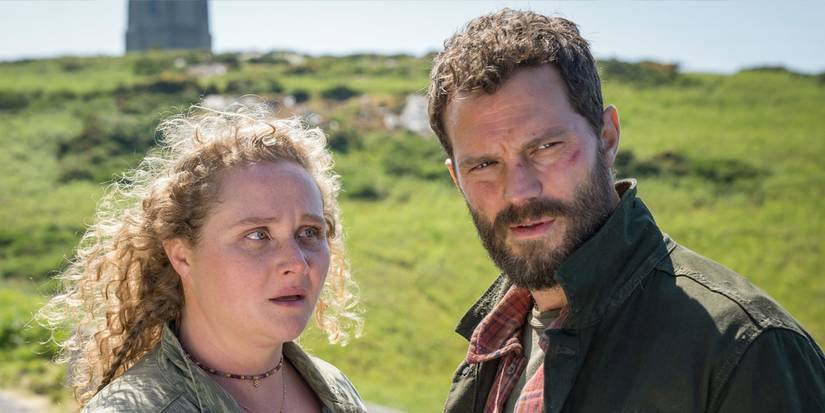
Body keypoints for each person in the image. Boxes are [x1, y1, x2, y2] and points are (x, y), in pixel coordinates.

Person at [427, 9, 825, 413]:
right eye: (484, 165)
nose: (519, 192)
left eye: (545, 148)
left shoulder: (745, 349)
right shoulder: (494, 344)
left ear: (607, 137)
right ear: (457, 179)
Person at [39, 104, 366, 412]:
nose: (297, 262)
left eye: (309, 232)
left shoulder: (336, 390)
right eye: (257, 235)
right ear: (181, 256)